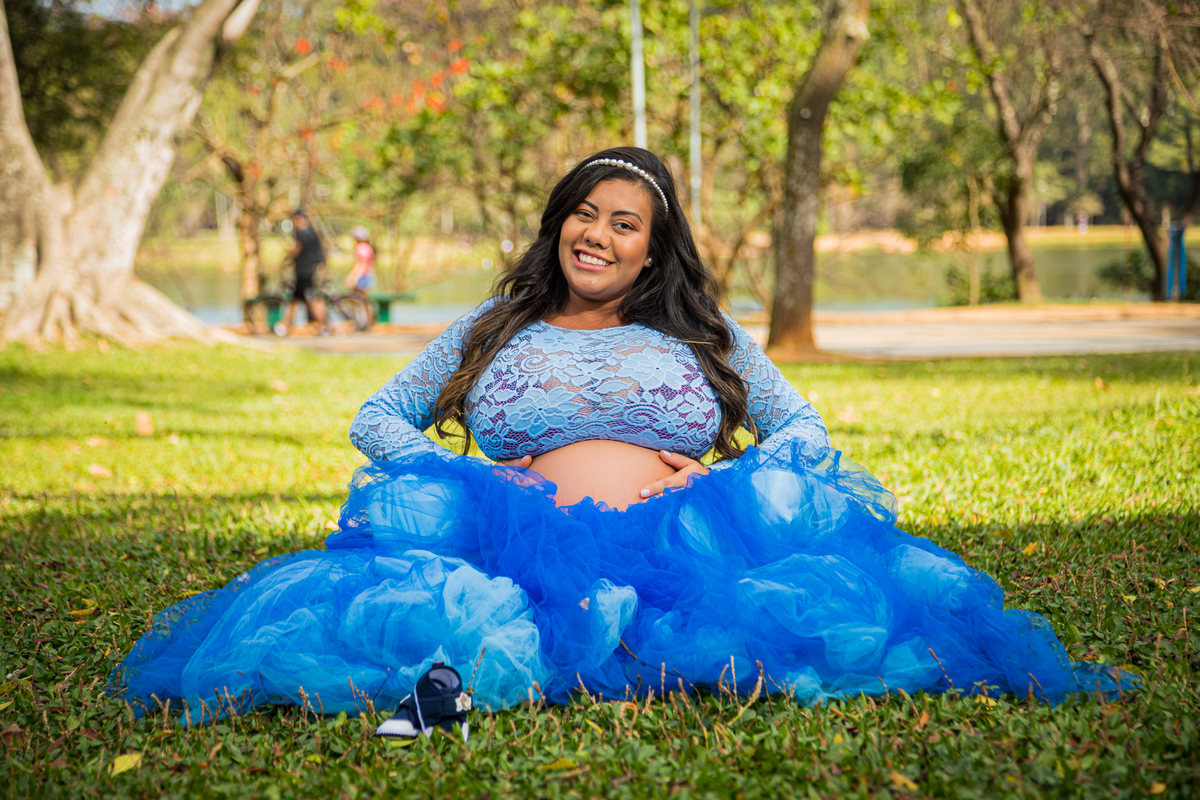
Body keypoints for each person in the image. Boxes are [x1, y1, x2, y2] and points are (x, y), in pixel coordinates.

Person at [108, 148, 1134, 723]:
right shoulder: (492, 324)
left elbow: (806, 426)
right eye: (583, 214)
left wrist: (721, 475)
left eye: (624, 223)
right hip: (512, 538)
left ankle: (596, 660)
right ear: (560, 221)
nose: (596, 233)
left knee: (784, 625)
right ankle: (457, 686)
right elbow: (375, 415)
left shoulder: (703, 329)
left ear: (653, 250)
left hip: (679, 544)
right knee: (442, 624)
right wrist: (457, 470)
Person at [276, 209, 328, 336]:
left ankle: (323, 326)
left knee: (313, 299)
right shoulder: (312, 232)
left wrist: (286, 258)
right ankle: (284, 325)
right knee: (295, 300)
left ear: (298, 219)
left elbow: (296, 249)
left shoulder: (302, 233)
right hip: (309, 270)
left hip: (304, 272)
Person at [345, 226, 377, 295]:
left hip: (363, 276)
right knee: (362, 299)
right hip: (368, 275)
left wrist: (354, 278)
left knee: (359, 298)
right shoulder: (367, 247)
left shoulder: (361, 247)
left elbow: (362, 264)